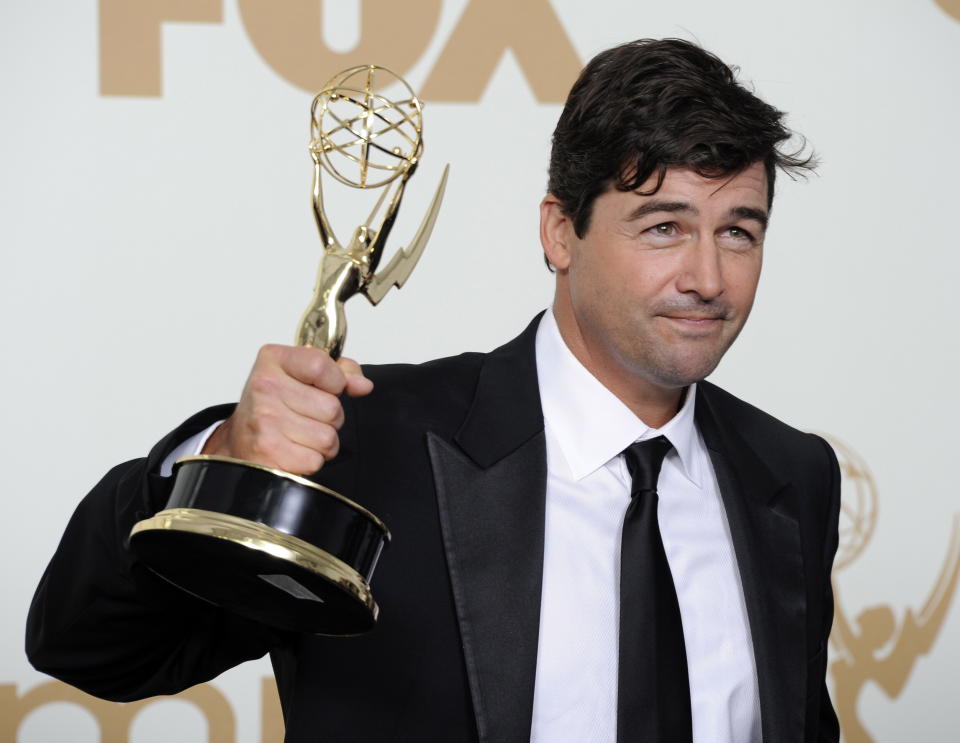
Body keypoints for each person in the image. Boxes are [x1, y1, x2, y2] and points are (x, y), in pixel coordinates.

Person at [26, 38, 841, 743]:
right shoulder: (365, 443)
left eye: (738, 230)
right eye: (663, 226)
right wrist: (220, 466)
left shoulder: (792, 474)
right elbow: (91, 644)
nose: (707, 277)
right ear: (561, 231)